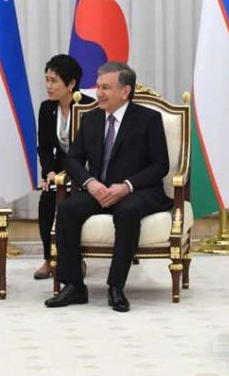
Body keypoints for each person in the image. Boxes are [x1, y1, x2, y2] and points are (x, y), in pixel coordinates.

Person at [44, 62, 171, 312]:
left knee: (127, 212)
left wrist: (127, 186)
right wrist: (90, 183)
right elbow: (73, 159)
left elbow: (160, 166)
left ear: (125, 91)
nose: (99, 93)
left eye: (106, 88)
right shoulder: (91, 118)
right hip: (98, 190)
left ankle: (116, 287)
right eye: (98, 86)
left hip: (137, 191)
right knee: (68, 209)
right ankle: (74, 286)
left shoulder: (148, 119)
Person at [34, 55, 93, 280]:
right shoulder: (46, 108)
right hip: (59, 172)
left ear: (71, 84)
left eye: (54, 81)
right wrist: (49, 172)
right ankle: (49, 258)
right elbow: (44, 148)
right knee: (46, 201)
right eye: (46, 80)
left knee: (74, 206)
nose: (48, 86)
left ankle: (77, 260)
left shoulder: (89, 106)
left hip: (87, 172)